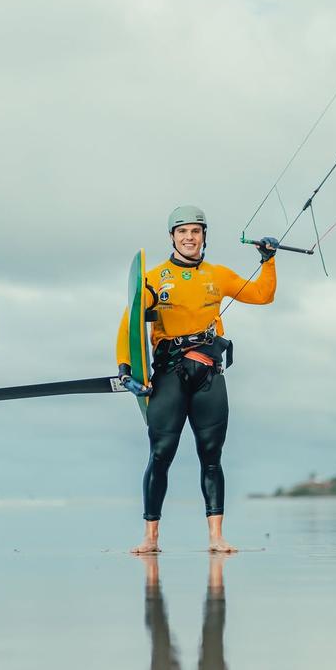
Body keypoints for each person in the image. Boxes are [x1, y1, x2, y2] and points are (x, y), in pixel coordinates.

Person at [116, 205, 277, 553]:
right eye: (182, 232)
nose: (189, 238)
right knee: (160, 454)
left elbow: (263, 295)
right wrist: (126, 369)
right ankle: (150, 538)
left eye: (195, 231)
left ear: (204, 236)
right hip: (170, 375)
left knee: (211, 455)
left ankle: (217, 538)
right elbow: (130, 322)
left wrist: (268, 260)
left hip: (208, 375)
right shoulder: (155, 279)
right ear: (172, 237)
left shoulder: (218, 276)